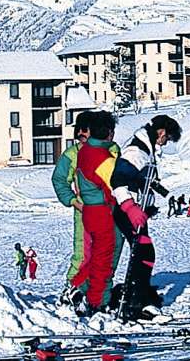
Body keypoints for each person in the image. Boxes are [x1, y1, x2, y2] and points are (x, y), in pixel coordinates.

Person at [109, 114, 182, 322]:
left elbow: (143, 178)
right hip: (128, 210)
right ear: (161, 132)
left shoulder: (146, 150)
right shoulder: (137, 151)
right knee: (143, 252)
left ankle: (138, 295)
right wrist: (129, 207)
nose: (166, 143)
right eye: (167, 138)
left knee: (143, 252)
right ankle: (135, 302)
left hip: (138, 211)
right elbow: (117, 180)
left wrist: (158, 195)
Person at [67, 110, 124, 314]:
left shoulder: (88, 152)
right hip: (99, 212)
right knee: (101, 256)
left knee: (98, 255)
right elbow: (114, 186)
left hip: (94, 210)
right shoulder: (98, 156)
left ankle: (82, 289)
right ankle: (95, 299)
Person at [51, 110, 95, 306]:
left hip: (107, 211)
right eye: (79, 130)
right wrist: (73, 201)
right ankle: (73, 288)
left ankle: (95, 290)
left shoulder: (109, 151)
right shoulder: (72, 154)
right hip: (85, 212)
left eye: (86, 130)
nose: (81, 134)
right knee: (84, 252)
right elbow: (59, 180)